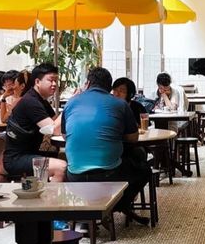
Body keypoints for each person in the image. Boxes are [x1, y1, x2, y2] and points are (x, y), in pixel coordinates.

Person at [63, 67, 150, 217]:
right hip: (109, 174)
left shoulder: (71, 103)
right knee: (144, 170)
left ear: (88, 83)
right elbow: (132, 138)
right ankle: (117, 205)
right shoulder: (120, 104)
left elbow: (65, 135)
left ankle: (92, 212)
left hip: (73, 175)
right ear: (109, 87)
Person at [3, 63, 65, 182]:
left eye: (56, 80)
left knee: (62, 159)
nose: (55, 84)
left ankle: (43, 196)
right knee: (61, 167)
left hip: (31, 155)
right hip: (18, 160)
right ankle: (50, 200)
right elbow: (54, 129)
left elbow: (57, 124)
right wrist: (70, 106)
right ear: (37, 82)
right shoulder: (31, 102)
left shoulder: (40, 100)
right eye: (51, 80)